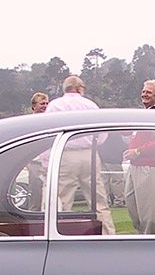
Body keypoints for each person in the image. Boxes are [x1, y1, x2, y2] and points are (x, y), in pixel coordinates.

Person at [45, 76, 115, 234]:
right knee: (98, 200)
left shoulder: (55, 106)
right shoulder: (90, 105)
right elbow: (103, 134)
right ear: (80, 88)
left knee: (61, 199)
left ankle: (58, 234)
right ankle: (107, 234)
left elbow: (48, 134)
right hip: (89, 154)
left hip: (65, 154)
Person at [123, 80, 155, 233]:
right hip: (135, 165)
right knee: (131, 202)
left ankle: (152, 239)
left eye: (148, 92)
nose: (144, 94)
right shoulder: (145, 113)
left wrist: (138, 151)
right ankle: (141, 235)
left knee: (147, 208)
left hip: (149, 166)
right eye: (143, 91)